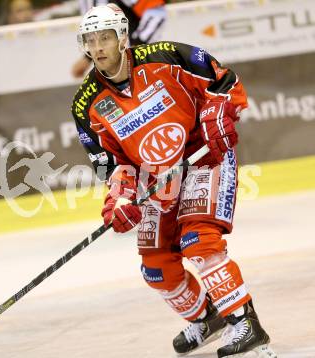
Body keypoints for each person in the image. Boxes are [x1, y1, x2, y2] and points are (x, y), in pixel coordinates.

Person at [71, 4, 277, 357]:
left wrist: (216, 113)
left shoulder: (166, 56)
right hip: (156, 177)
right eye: (91, 40)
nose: (99, 46)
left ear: (122, 37)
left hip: (202, 157)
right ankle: (206, 318)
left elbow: (223, 81)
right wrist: (119, 199)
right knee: (156, 267)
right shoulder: (86, 104)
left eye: (105, 37)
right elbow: (110, 164)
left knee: (199, 241)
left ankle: (245, 323)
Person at [71, 0, 166, 78]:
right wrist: (87, 58)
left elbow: (156, 13)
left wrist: (134, 49)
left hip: (140, 63)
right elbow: (96, 30)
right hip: (114, 71)